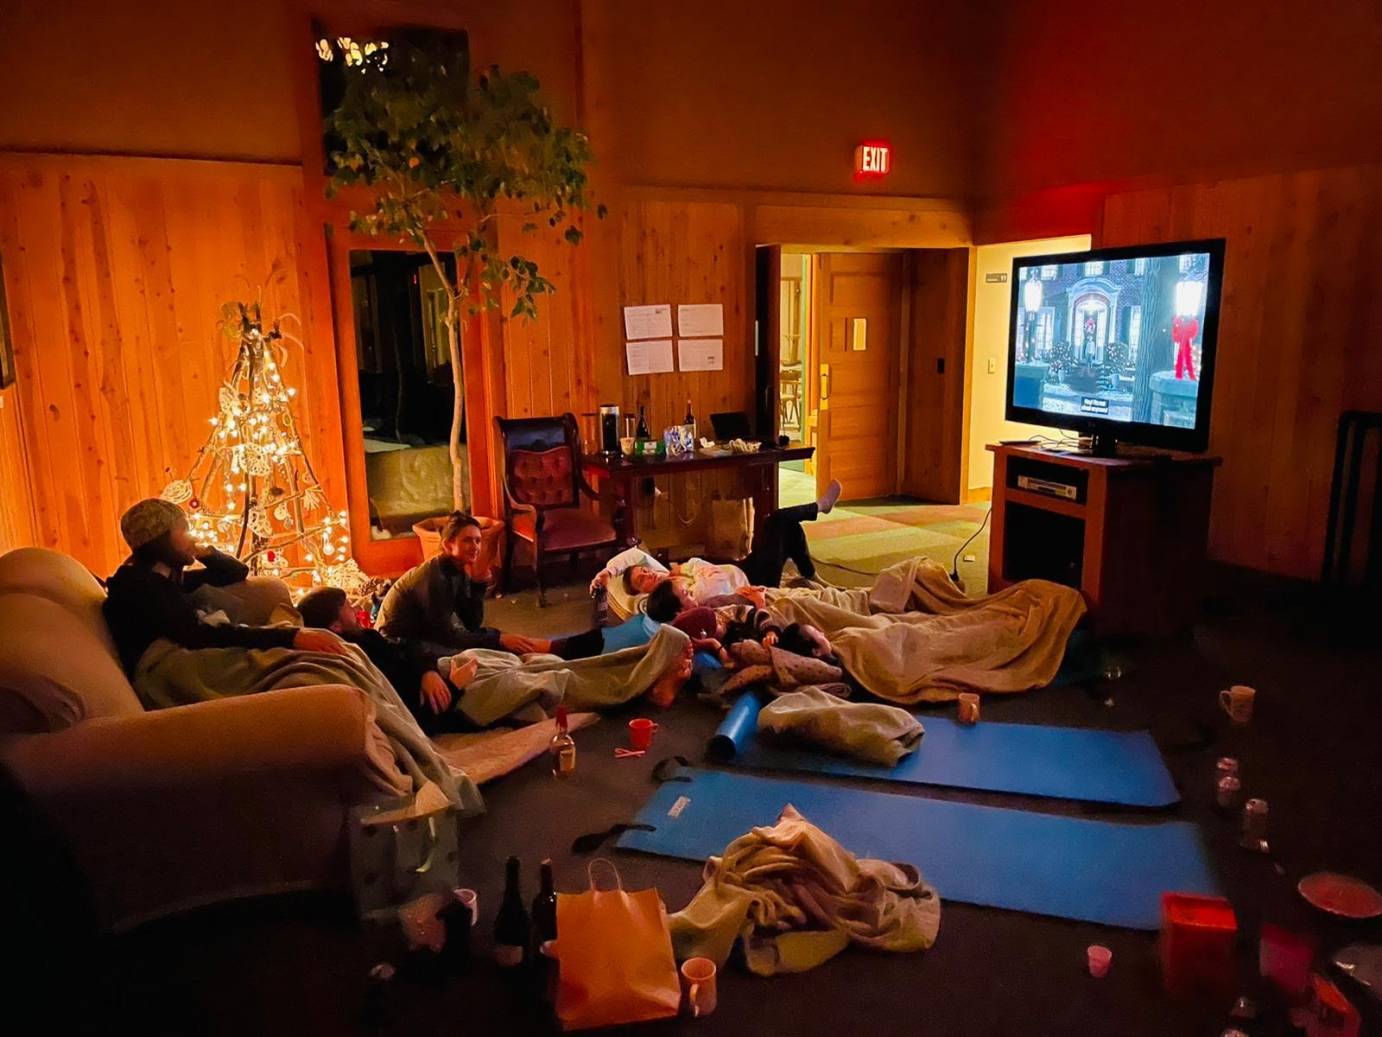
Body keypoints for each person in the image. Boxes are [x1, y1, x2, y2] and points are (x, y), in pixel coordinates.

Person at [103, 498, 348, 676]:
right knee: (302, 663)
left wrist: (201, 551)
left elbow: (235, 572)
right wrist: (290, 637)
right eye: (184, 530)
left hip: (193, 651)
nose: (192, 536)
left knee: (323, 655)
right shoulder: (139, 586)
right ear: (160, 539)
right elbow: (201, 635)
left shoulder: (166, 576)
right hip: (171, 670)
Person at [592, 480, 843, 604]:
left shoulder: (665, 573)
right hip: (754, 581)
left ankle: (812, 577)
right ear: (643, 593)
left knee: (789, 528)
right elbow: (715, 583)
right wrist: (691, 567)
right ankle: (820, 507)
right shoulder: (677, 595)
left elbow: (634, 554)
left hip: (744, 566)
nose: (648, 573)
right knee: (776, 521)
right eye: (642, 579)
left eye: (644, 570)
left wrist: (606, 571)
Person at [297, 586, 478, 733]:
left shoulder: (366, 637)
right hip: (443, 701)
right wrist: (454, 686)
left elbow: (405, 646)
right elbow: (408, 720)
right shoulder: (358, 658)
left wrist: (427, 671)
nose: (357, 609)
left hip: (433, 673)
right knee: (501, 678)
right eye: (349, 608)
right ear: (336, 626)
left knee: (483, 658)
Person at [376, 512, 550, 655]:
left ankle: (557, 648)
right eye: (467, 540)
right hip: (399, 647)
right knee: (496, 645)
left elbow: (472, 623)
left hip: (426, 638)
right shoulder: (433, 577)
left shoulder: (456, 570)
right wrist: (497, 639)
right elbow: (447, 636)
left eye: (478, 540)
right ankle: (552, 650)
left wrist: (477, 585)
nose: (475, 547)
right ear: (448, 545)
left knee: (503, 640)